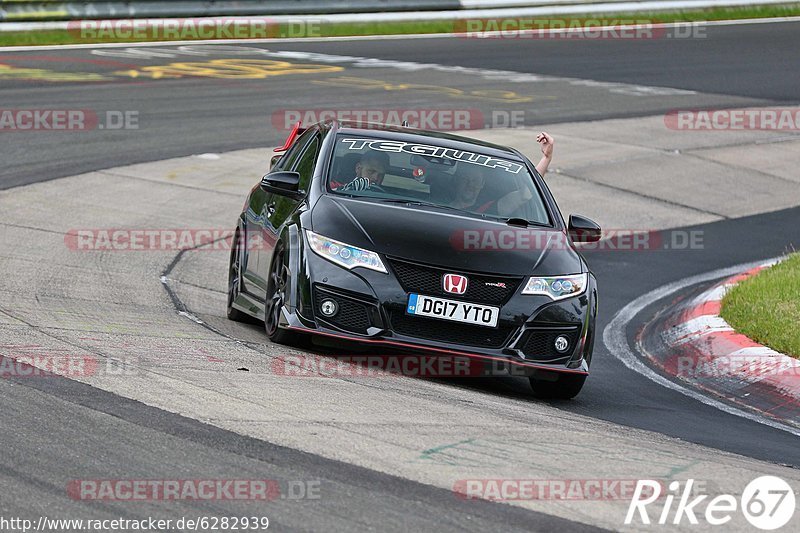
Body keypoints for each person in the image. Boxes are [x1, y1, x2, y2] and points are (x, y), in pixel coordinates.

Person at [449, 132, 555, 216]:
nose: (470, 185)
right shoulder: (437, 205)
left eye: (475, 181)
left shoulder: (489, 209)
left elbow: (525, 193)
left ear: (482, 184)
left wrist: (546, 158)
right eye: (466, 179)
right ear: (457, 179)